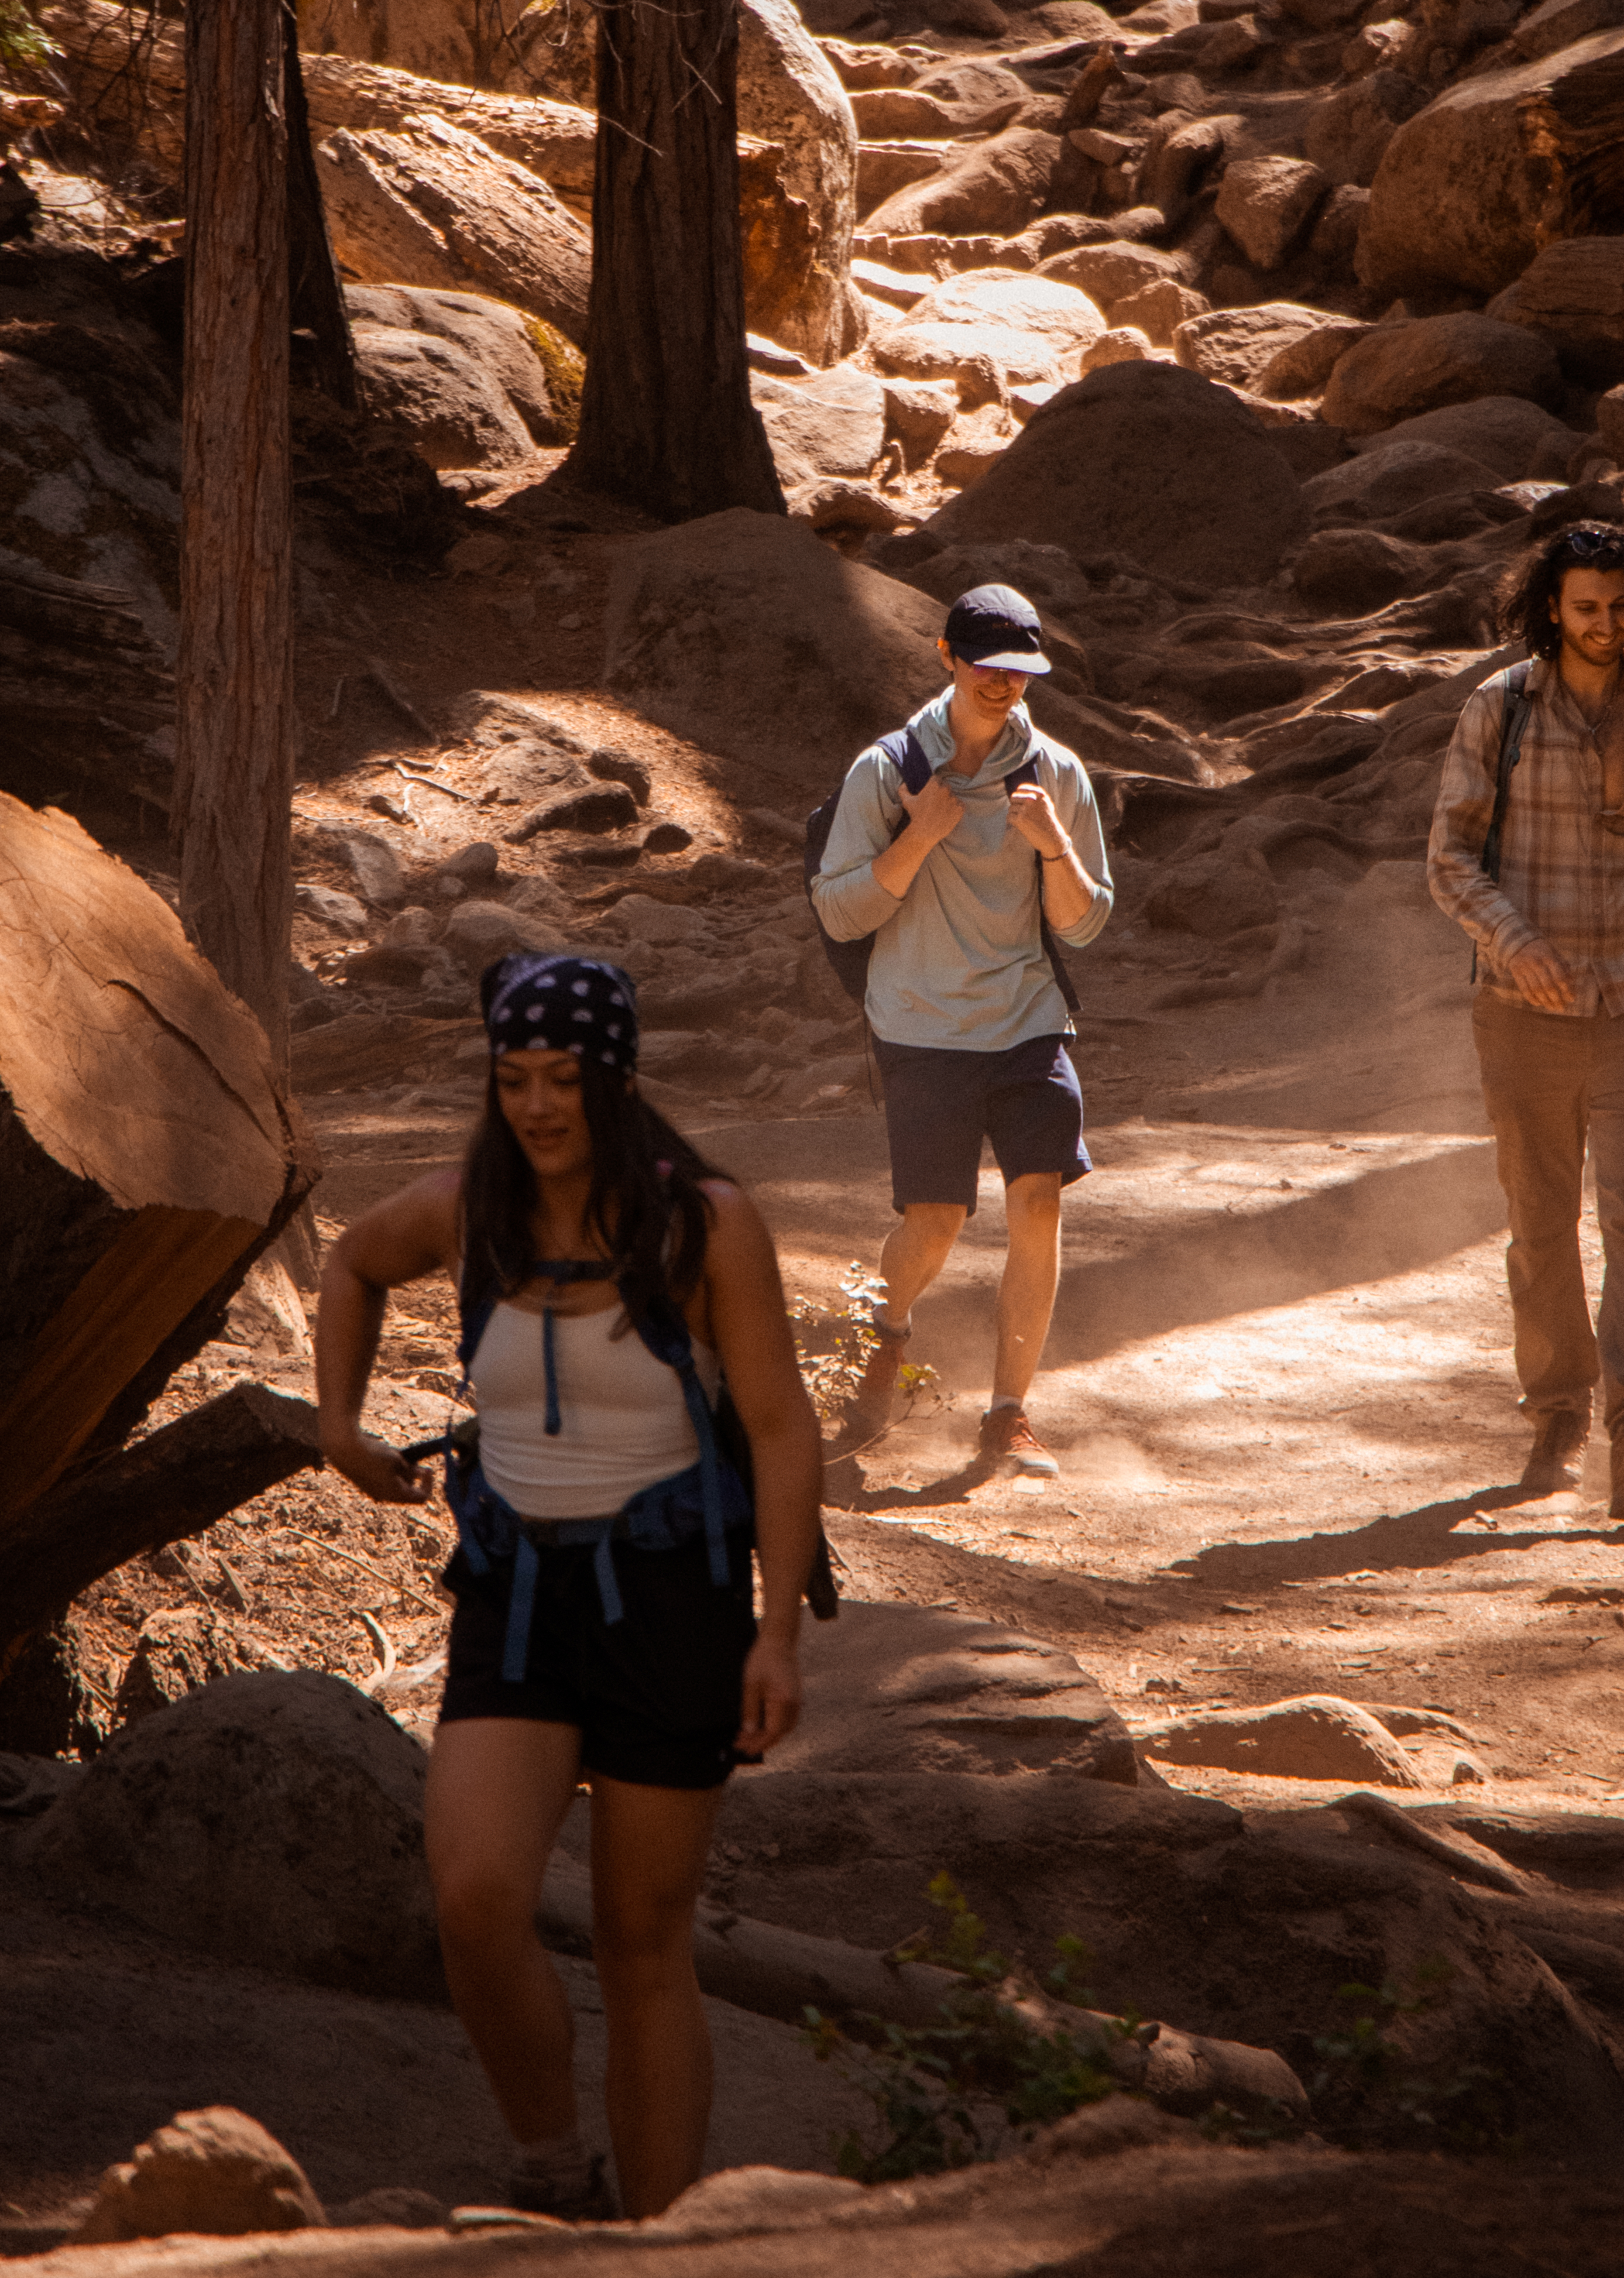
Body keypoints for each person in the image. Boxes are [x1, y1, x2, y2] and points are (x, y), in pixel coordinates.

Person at [315, 952, 823, 2221]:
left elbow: (777, 1424)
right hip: (515, 1591)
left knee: (640, 1939)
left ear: (616, 1081)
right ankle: (548, 2168)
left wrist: (774, 1636)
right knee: (477, 1898)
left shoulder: (700, 1224)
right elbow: (351, 1263)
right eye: (513, 1079)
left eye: (563, 1080)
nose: (538, 1106)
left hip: (672, 1601)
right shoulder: (464, 1211)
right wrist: (337, 1424)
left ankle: (659, 2238)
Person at [1426, 524, 1624, 1518]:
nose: (1601, 625)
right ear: (1549, 609)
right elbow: (1449, 860)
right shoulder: (1500, 709)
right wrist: (1515, 944)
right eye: (1582, 607)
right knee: (1540, 1221)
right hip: (1520, 1012)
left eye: (1617, 606)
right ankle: (1558, 1409)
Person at [811, 583, 1113, 1478]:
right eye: (988, 666)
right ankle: (884, 1337)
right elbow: (838, 914)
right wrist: (921, 835)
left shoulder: (1054, 772)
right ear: (946, 657)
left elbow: (1087, 924)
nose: (1005, 685)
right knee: (934, 1221)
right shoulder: (888, 770)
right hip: (920, 1025)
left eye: (1022, 671)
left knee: (1039, 1202)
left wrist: (1053, 843)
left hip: (1027, 1021)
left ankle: (1009, 1414)